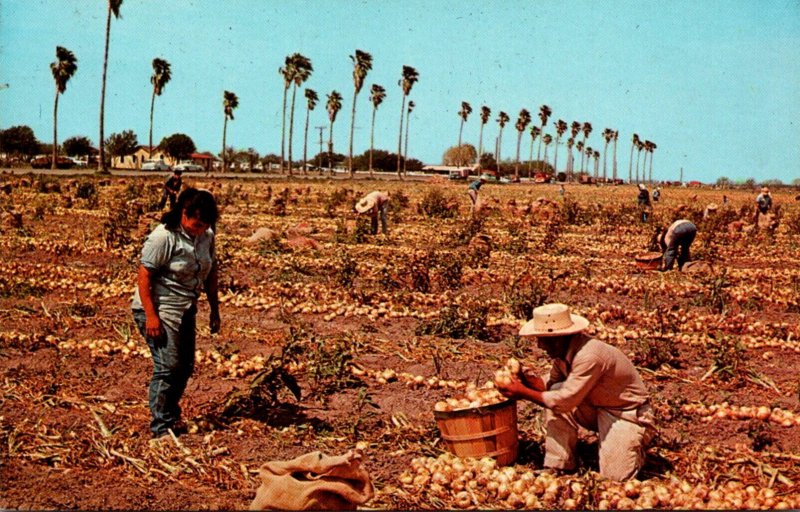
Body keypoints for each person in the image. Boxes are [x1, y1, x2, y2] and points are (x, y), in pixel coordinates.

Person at [497, 303, 655, 481]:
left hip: (627, 414)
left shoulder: (589, 355)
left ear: (559, 337)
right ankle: (560, 464)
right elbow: (549, 386)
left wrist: (522, 392)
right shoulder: (563, 355)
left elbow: (564, 400)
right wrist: (526, 379)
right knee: (556, 391)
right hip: (595, 409)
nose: (540, 345)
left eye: (542, 339)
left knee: (615, 479)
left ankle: (638, 446)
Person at [131, 188, 220, 439]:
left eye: (205, 225)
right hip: (158, 308)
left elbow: (211, 273)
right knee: (168, 366)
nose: (200, 230)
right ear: (183, 213)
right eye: (196, 225)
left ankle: (170, 415)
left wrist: (215, 309)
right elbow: (144, 275)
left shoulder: (207, 235)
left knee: (185, 366)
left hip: (185, 307)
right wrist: (151, 316)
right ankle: (161, 427)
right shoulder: (163, 237)